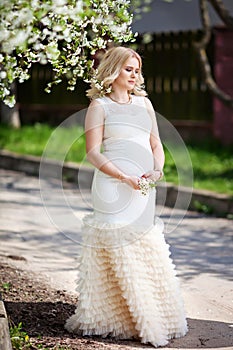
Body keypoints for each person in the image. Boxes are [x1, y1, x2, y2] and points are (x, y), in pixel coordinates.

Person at [65, 46, 188, 347]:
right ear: (113, 70)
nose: (135, 75)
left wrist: (156, 172)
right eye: (129, 69)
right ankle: (113, 318)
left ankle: (150, 316)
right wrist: (123, 177)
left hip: (143, 188)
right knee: (117, 248)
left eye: (137, 69)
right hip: (111, 186)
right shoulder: (100, 106)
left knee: (143, 244)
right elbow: (93, 152)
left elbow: (156, 145)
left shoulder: (145, 104)